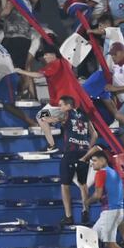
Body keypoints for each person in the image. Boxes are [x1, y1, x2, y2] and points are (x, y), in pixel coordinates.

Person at [50, 96, 97, 225]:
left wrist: (45, 118)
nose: (60, 107)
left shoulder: (65, 114)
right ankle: (85, 210)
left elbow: (48, 118)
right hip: (84, 153)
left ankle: (68, 216)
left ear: (68, 106)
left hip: (70, 153)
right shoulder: (84, 115)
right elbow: (95, 135)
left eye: (61, 105)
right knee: (83, 184)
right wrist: (88, 148)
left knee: (65, 185)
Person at [84, 151, 124, 248]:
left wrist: (87, 202)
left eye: (94, 161)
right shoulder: (115, 173)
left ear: (103, 160)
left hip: (110, 212)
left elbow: (97, 195)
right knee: (93, 239)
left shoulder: (101, 173)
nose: (92, 164)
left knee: (110, 244)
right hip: (116, 211)